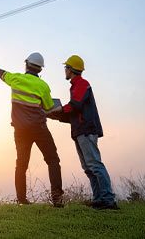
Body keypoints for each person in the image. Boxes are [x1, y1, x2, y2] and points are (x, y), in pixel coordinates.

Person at [0, 52, 64, 207]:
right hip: (39, 128)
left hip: (20, 130)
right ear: (40, 69)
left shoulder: (16, 79)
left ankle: (22, 200)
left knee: (21, 164)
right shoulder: (43, 86)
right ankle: (57, 199)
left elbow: (4, 75)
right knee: (53, 160)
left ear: (26, 64)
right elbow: (49, 107)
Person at [48, 55, 118, 210]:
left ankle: (108, 200)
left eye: (66, 67)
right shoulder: (75, 85)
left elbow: (75, 105)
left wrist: (58, 109)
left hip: (86, 130)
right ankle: (99, 198)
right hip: (80, 131)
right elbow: (75, 113)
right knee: (88, 167)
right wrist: (56, 115)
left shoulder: (82, 84)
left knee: (94, 164)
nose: (64, 70)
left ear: (71, 69)